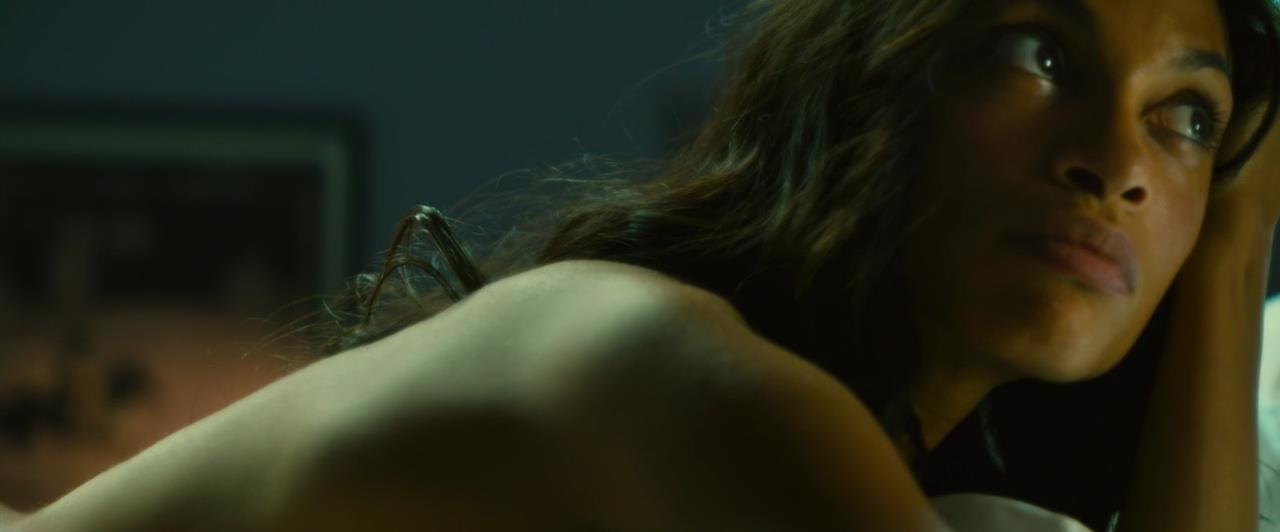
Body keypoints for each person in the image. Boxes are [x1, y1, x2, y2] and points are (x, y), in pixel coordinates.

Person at [8, 0, 1280, 530]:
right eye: (1040, 55)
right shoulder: (676, 373)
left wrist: (1228, 249)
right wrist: (1226, 270)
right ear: (872, 86)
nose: (1117, 162)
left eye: (1187, 120)